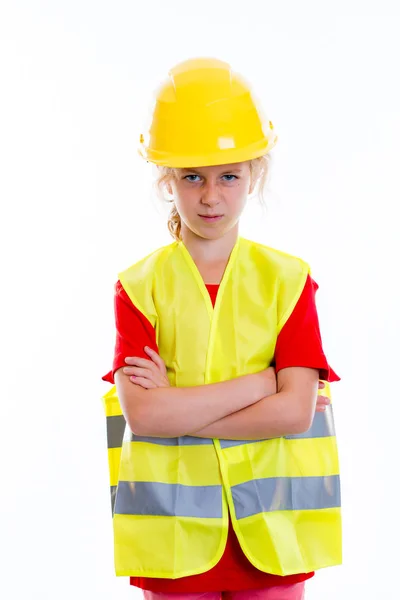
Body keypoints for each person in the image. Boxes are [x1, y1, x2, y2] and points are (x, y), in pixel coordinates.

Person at [101, 57, 342, 600]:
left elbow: (295, 411)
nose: (211, 196)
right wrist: (262, 384)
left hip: (273, 537)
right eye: (192, 177)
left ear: (253, 174)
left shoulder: (289, 280)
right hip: (175, 541)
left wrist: (180, 412)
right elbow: (145, 415)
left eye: (228, 175)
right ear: (168, 180)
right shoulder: (139, 286)